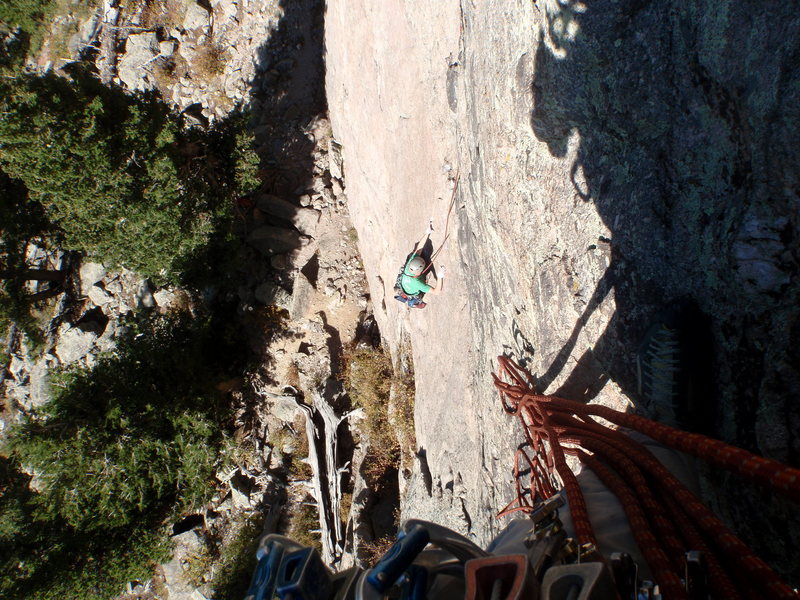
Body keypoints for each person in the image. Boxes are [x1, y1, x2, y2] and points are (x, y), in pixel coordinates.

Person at [394, 222, 445, 308]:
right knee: (420, 299)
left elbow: (419, 249)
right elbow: (437, 292)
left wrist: (427, 233)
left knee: (414, 253)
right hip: (413, 290)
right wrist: (440, 276)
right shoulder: (418, 284)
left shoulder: (408, 267)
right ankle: (413, 301)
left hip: (406, 286)